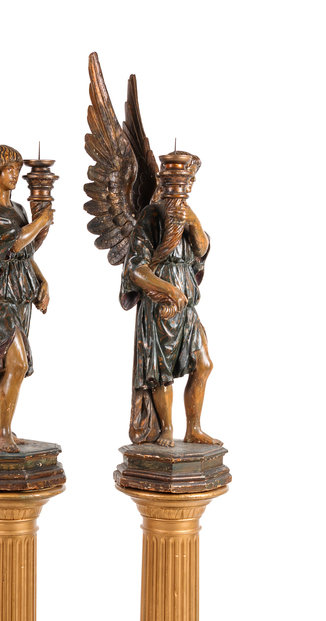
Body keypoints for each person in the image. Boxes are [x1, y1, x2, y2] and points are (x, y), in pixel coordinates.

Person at [120, 151, 221, 447]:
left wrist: (193, 222)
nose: (182, 187)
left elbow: (200, 250)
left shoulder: (187, 214)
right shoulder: (151, 215)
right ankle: (166, 429)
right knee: (160, 370)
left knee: (203, 364)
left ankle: (194, 429)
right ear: (164, 182)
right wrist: (167, 291)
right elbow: (136, 267)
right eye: (177, 181)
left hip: (186, 304)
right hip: (160, 303)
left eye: (187, 181)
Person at [0, 145, 52, 451]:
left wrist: (42, 281)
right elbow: (13, 243)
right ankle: (2, 432)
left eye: (17, 169)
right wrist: (42, 221)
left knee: (5, 366)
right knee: (15, 362)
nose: (14, 175)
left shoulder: (18, 210)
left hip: (18, 294)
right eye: (9, 169)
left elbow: (26, 253)